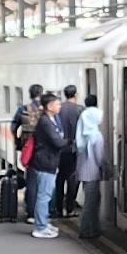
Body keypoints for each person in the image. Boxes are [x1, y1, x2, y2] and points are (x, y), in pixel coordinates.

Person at [30, 92, 66, 240]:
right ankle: (40, 227)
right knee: (44, 196)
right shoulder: (46, 122)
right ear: (50, 106)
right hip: (45, 162)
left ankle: (42, 222)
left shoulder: (50, 119)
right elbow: (57, 141)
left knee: (45, 194)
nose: (59, 106)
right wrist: (70, 143)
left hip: (47, 161)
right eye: (57, 104)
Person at [74, 95, 106, 239]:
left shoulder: (83, 135)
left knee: (92, 200)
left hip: (83, 172)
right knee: (91, 203)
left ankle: (94, 228)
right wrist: (107, 168)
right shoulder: (96, 136)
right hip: (92, 173)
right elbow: (99, 158)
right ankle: (85, 229)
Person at [13, 85, 43, 224]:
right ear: (41, 94)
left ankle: (30, 212)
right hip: (44, 150)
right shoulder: (46, 109)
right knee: (45, 183)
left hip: (28, 149)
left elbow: (14, 126)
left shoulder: (23, 109)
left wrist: (18, 142)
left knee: (31, 182)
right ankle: (44, 213)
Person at [52, 85, 81, 219]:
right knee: (72, 179)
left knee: (59, 178)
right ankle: (69, 208)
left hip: (59, 149)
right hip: (73, 149)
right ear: (75, 95)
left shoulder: (58, 109)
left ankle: (58, 209)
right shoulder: (80, 110)